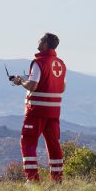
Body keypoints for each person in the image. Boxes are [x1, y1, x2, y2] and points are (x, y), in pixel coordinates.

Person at [12, 32, 66, 181]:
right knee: (54, 144)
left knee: (28, 143)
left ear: (45, 44)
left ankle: (32, 179)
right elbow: (62, 87)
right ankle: (57, 179)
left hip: (36, 111)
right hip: (54, 111)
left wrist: (21, 82)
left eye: (41, 40)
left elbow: (32, 85)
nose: (38, 41)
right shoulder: (60, 63)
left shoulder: (39, 62)